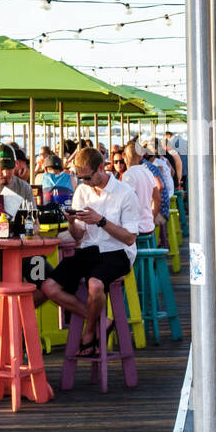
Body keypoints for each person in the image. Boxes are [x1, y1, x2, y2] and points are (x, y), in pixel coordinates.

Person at [39, 147, 141, 354]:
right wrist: (71, 223)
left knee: (95, 285)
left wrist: (101, 221)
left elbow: (130, 238)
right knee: (49, 287)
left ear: (101, 168)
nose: (84, 182)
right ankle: (102, 321)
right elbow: (78, 237)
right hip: (89, 249)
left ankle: (88, 332)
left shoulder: (125, 193)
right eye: (80, 177)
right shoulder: (82, 191)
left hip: (118, 251)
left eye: (87, 177)